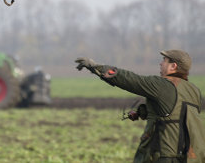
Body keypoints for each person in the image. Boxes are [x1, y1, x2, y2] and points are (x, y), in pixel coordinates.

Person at [75, 50, 205, 163]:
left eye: (164, 60)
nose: (160, 63)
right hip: (189, 156)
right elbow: (175, 113)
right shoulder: (194, 90)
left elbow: (131, 80)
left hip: (165, 156)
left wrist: (96, 67)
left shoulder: (163, 85)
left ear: (173, 66)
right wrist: (144, 112)